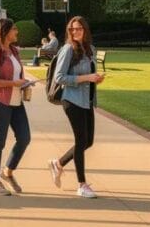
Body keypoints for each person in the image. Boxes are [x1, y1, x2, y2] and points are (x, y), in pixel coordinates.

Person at [48, 16, 105, 199]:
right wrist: (86, 78)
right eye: (72, 29)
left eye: (79, 28)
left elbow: (88, 74)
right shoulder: (67, 50)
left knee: (88, 142)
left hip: (87, 100)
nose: (75, 32)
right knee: (81, 141)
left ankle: (58, 163)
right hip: (72, 100)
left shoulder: (90, 49)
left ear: (85, 30)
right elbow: (59, 77)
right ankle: (81, 185)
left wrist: (95, 78)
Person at [0, 18, 31, 196]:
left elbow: (17, 75)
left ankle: (8, 171)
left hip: (16, 102)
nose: (17, 32)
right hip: (0, 102)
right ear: (5, 31)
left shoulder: (13, 51)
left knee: (24, 138)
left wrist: (24, 83)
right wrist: (13, 83)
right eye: (14, 29)